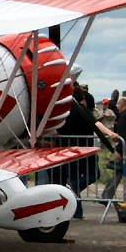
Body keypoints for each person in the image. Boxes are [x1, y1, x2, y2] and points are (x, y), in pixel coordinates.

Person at [49, 85, 113, 219]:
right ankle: (73, 197)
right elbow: (96, 124)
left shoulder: (65, 113)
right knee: (92, 174)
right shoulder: (80, 111)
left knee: (76, 177)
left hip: (70, 151)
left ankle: (76, 209)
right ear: (82, 99)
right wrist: (110, 133)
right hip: (82, 150)